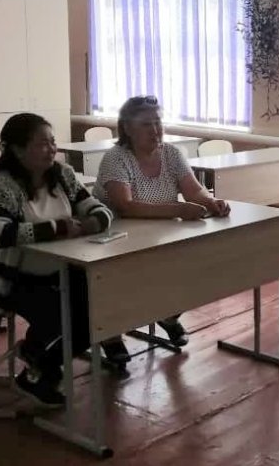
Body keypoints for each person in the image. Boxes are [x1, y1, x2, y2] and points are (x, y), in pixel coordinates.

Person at [0, 113, 113, 408]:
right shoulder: (0, 184)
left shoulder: (63, 174)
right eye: (42, 144)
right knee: (62, 318)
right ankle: (38, 366)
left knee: (99, 313)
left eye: (53, 142)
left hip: (63, 270)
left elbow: (98, 209)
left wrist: (94, 221)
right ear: (18, 150)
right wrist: (58, 228)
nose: (51, 149)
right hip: (13, 278)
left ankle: (38, 363)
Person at [92, 95, 230, 360]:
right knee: (121, 278)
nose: (155, 130)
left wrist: (211, 202)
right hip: (117, 240)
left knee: (198, 267)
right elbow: (126, 207)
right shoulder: (115, 158)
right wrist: (178, 210)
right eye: (146, 124)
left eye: (157, 122)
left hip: (160, 235)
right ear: (127, 128)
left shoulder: (171, 154)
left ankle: (168, 314)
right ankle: (110, 335)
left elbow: (193, 190)